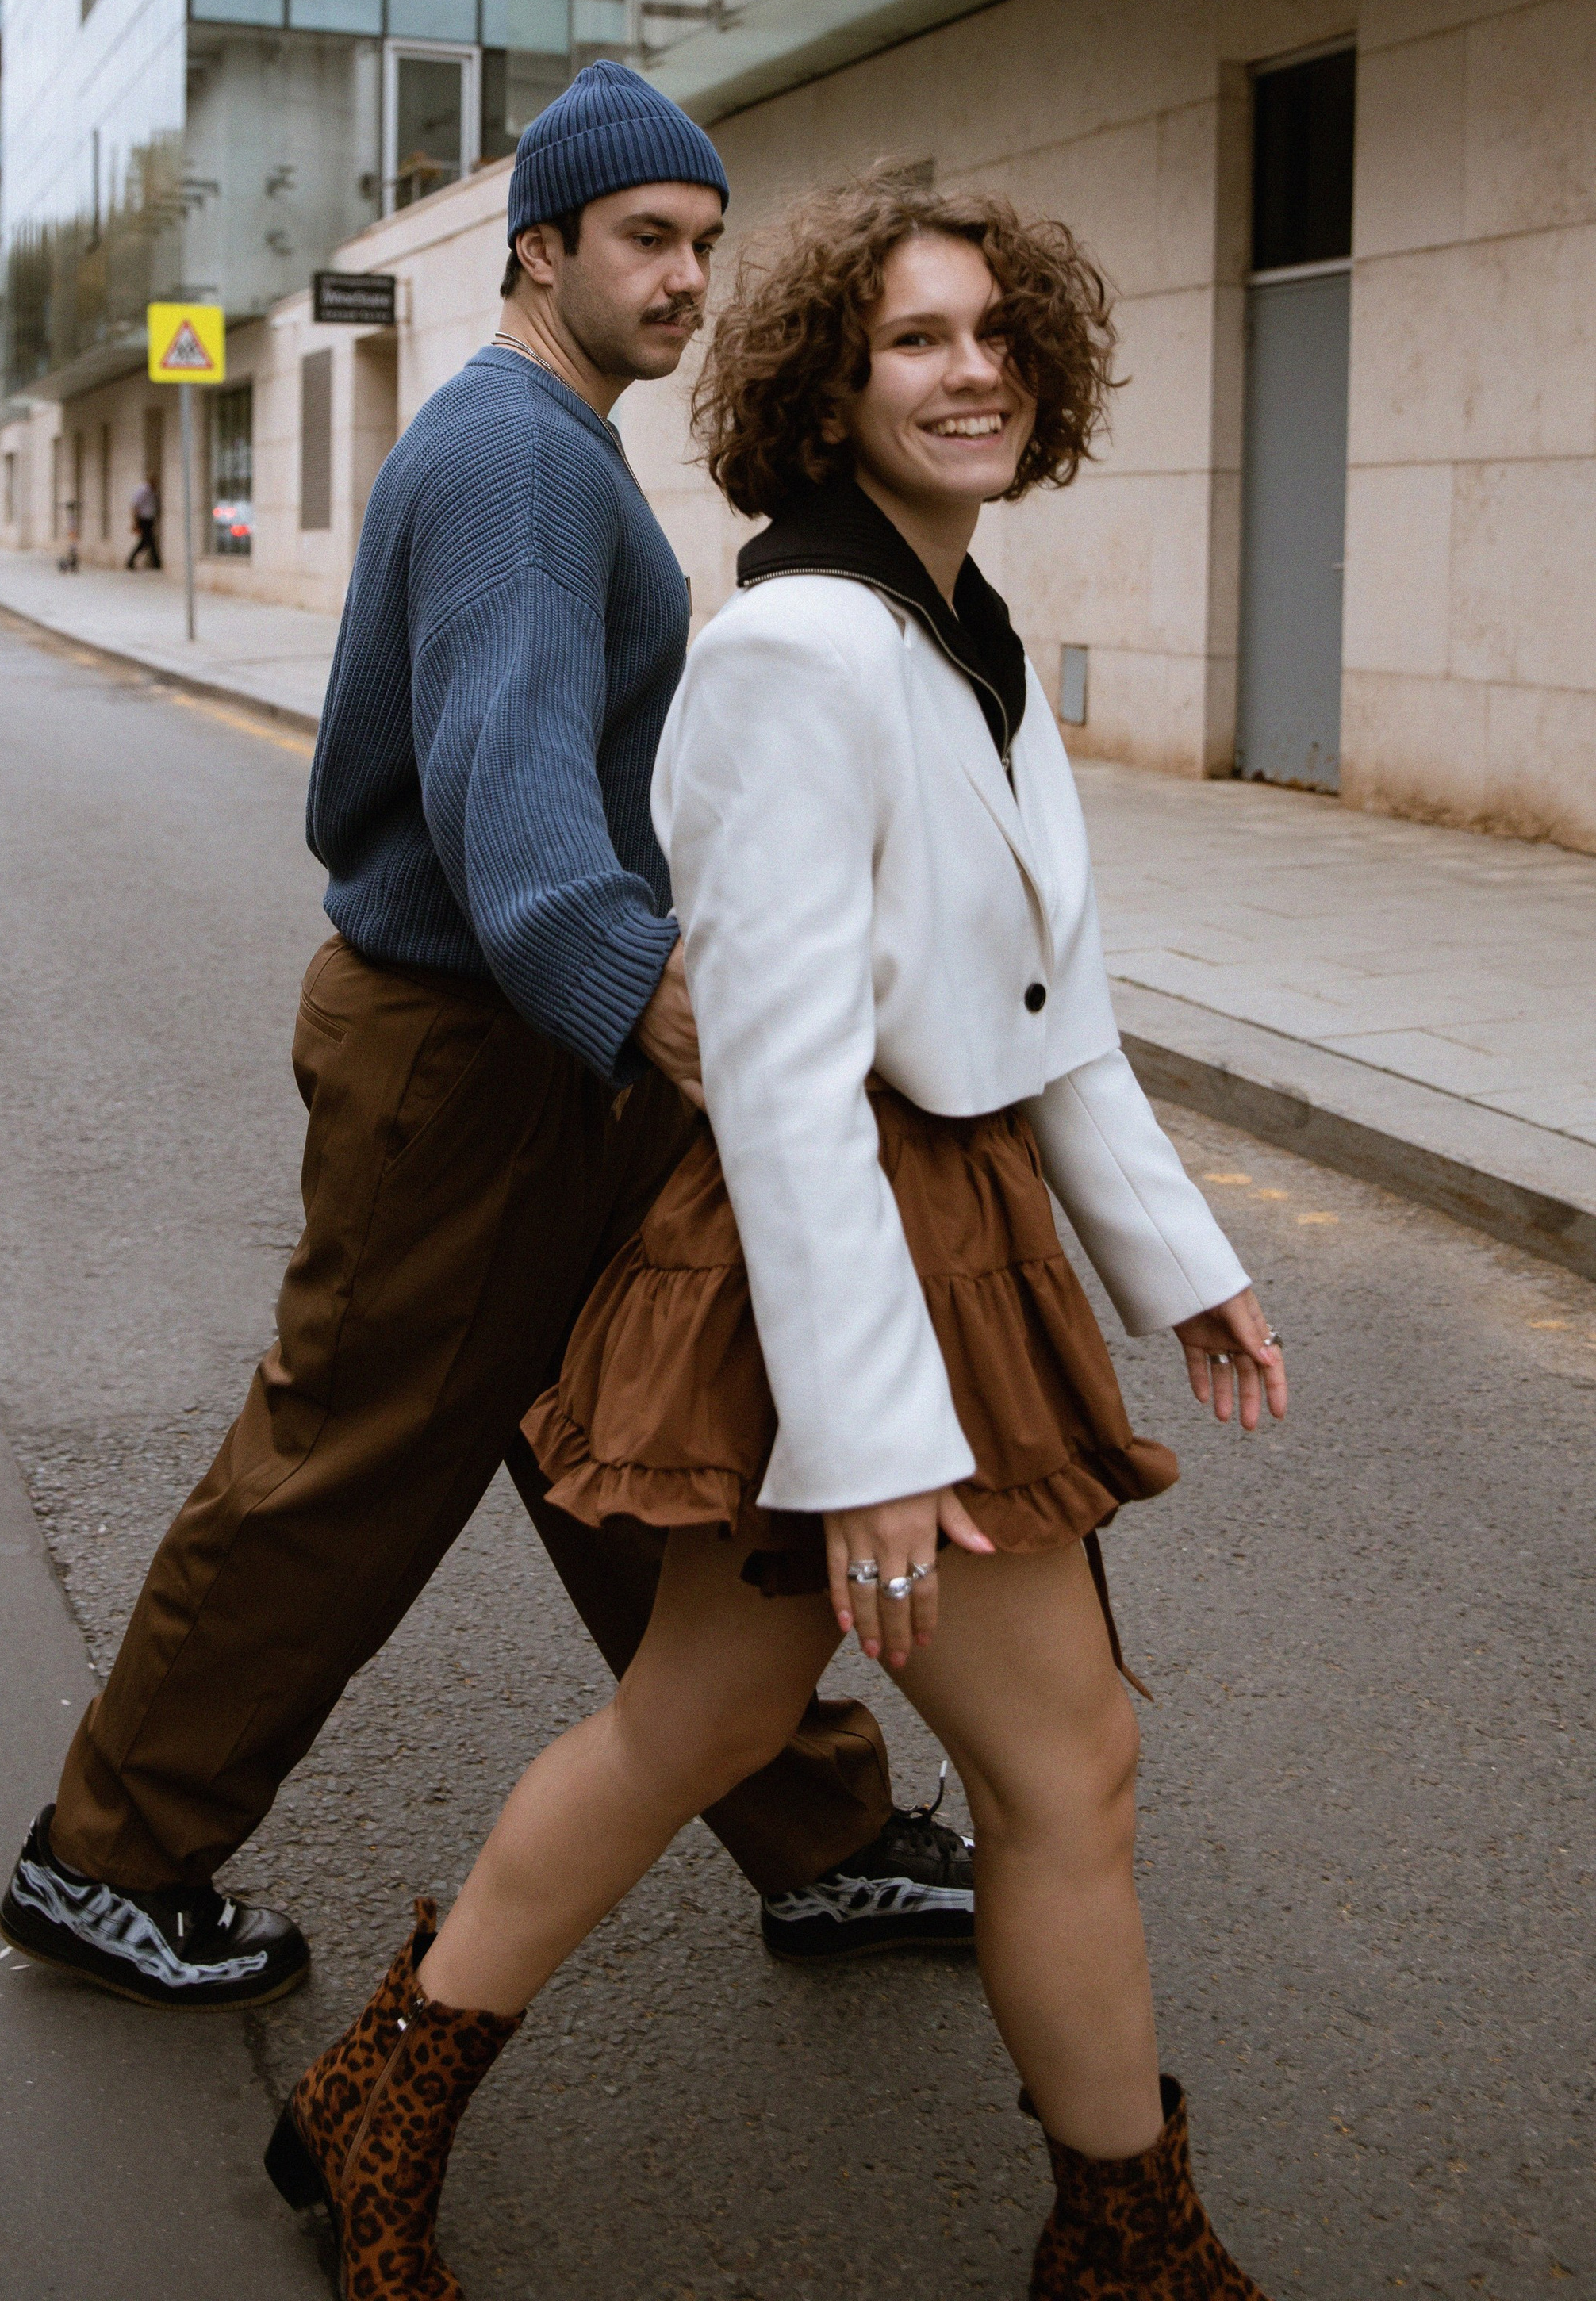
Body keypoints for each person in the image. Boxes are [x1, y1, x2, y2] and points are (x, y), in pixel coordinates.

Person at [266, 166, 1288, 2299]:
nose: (970, 370)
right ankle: (1131, 2242)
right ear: (830, 390)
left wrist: (1182, 1258)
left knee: (701, 1726)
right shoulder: (801, 657)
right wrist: (870, 1444)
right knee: (1062, 1757)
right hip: (846, 1271)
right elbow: (791, 1087)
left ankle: (385, 2086)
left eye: (1000, 335)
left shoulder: (964, 634)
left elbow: (1051, 1007)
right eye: (916, 338)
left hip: (957, 1232)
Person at [0, 70, 976, 2017]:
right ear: (540, 246)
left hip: (526, 1047)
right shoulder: (521, 455)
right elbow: (515, 826)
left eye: (705, 240)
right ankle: (104, 1855)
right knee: (342, 1460)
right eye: (645, 238)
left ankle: (817, 1832)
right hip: (479, 1049)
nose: (687, 274)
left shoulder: (541, 440)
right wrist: (691, 1028)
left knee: (662, 1445)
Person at [125, 471, 161, 570]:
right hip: (143, 519)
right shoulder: (143, 490)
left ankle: (131, 562)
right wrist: (135, 522)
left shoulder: (154, 491)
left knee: (147, 541)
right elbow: (135, 506)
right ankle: (156, 563)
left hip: (150, 519)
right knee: (147, 541)